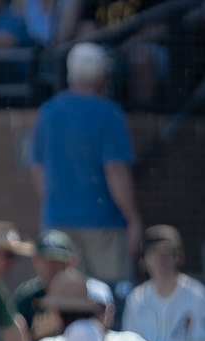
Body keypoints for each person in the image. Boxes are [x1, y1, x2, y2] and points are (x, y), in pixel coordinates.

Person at [29, 43, 141, 283]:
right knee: (109, 300)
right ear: (103, 76)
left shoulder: (47, 112)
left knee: (65, 301)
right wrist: (133, 218)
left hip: (57, 224)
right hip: (104, 225)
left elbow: (38, 169)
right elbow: (116, 171)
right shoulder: (109, 113)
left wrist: (54, 205)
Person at [122, 226, 205, 341]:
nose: (159, 258)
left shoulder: (198, 295)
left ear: (178, 256)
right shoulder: (136, 300)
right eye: (152, 252)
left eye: (165, 252)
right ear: (143, 260)